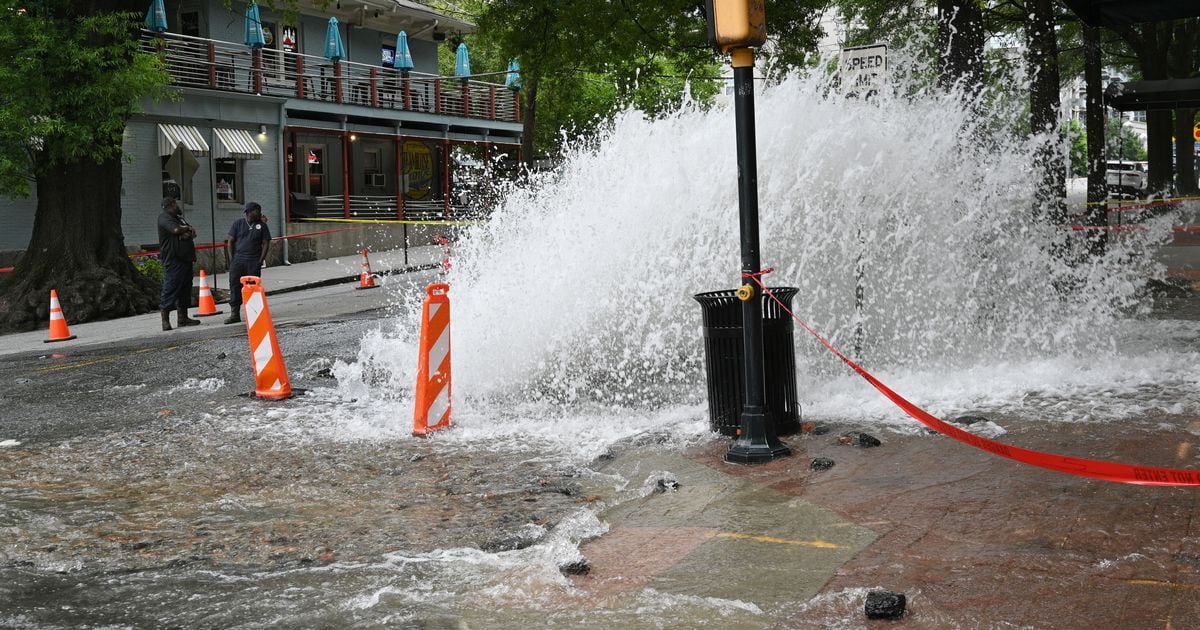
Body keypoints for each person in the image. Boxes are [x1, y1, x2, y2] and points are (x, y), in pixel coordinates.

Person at [224, 201, 272, 324]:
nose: (260, 213)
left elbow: (266, 243)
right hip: (238, 261)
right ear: (249, 212)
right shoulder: (238, 224)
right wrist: (232, 260)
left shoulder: (262, 226)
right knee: (235, 286)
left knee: (253, 287)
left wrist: (260, 261)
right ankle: (235, 313)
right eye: (257, 210)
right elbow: (230, 241)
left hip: (253, 260)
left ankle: (254, 312)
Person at [157, 197, 200, 331]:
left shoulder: (179, 219)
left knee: (185, 289)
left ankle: (183, 318)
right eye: (175, 203)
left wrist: (186, 231)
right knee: (171, 288)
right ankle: (165, 320)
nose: (178, 205)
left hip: (186, 259)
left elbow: (192, 232)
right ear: (170, 205)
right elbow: (175, 230)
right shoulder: (164, 218)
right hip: (173, 260)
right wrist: (184, 230)